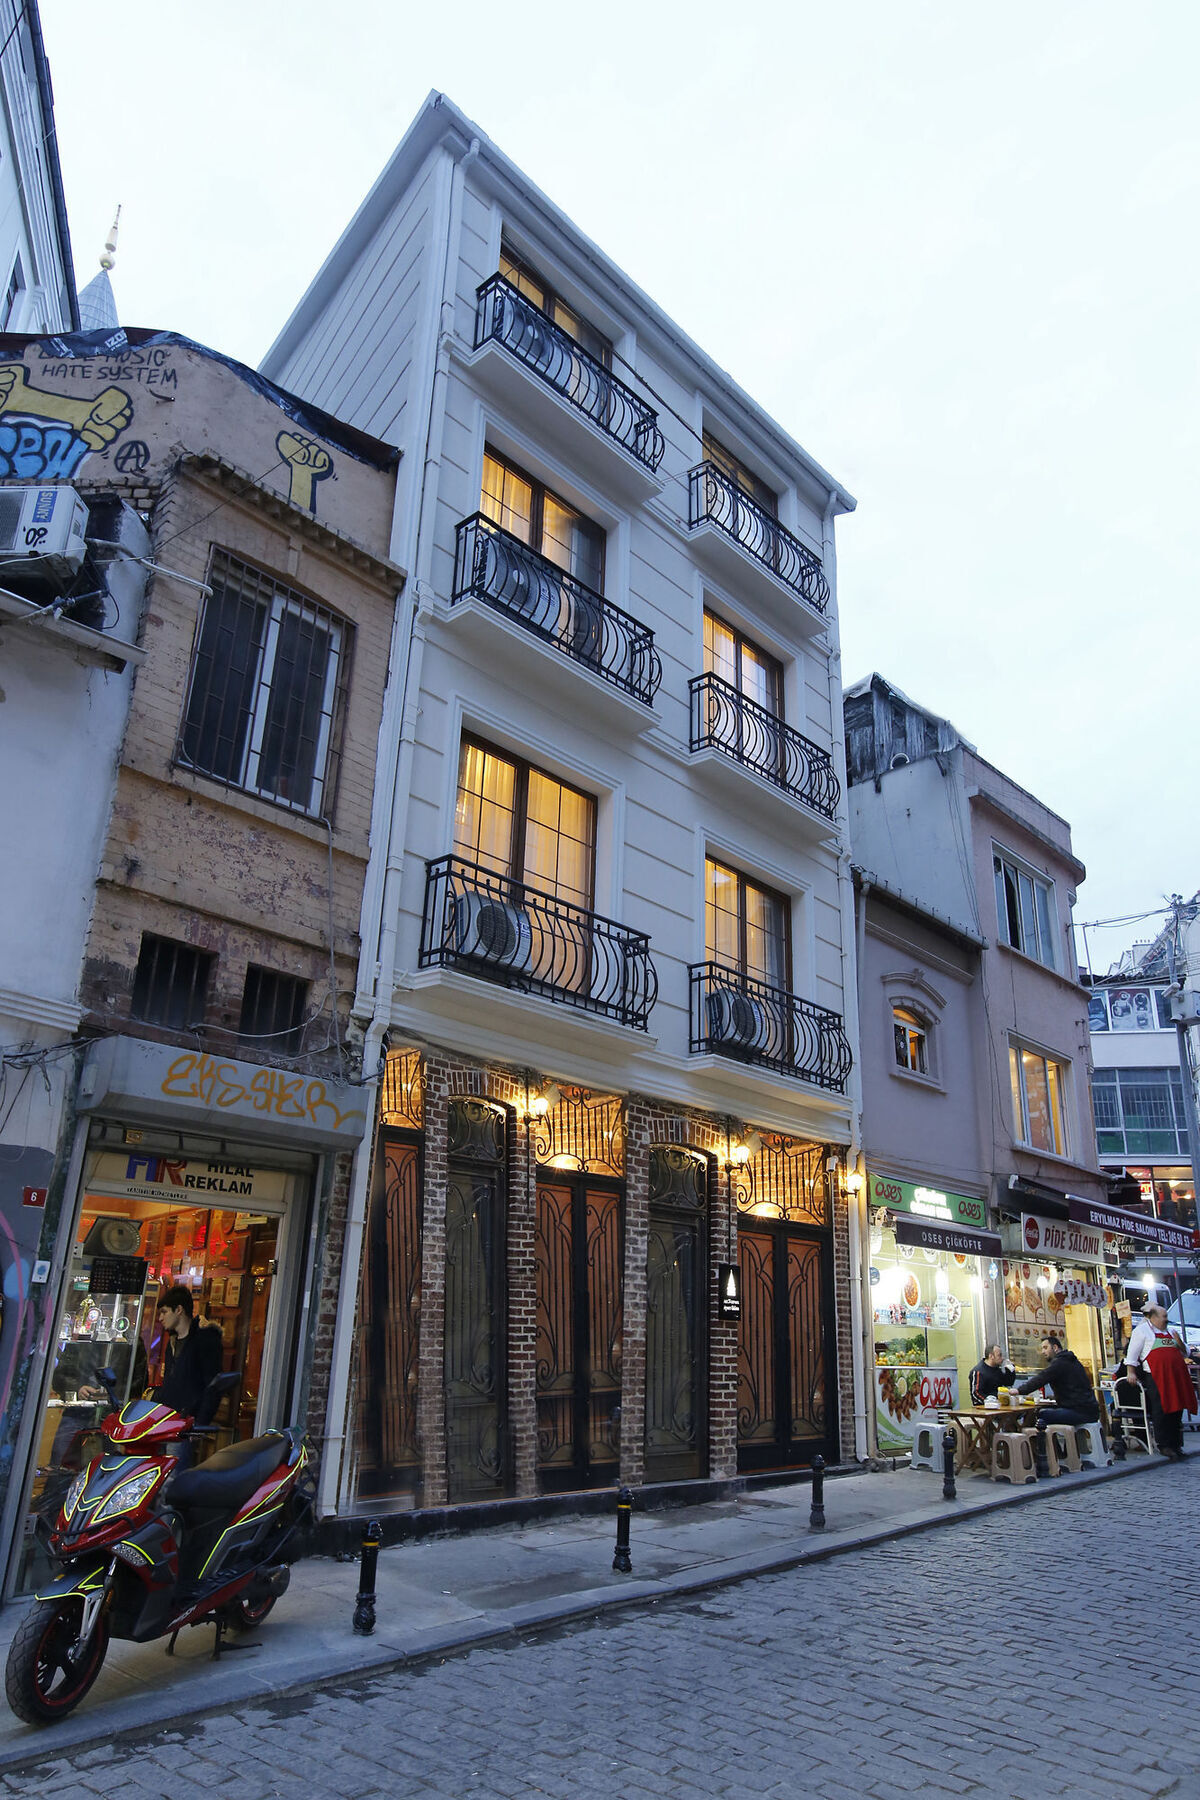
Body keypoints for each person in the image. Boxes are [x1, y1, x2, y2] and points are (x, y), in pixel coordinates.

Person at [1123, 1305, 1196, 1462]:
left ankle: (1176, 1444)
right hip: (1156, 1376)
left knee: (1177, 1409)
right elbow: (1132, 1354)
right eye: (1163, 1316)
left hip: (1176, 1377)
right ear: (1153, 1317)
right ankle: (1164, 1445)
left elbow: (1185, 1352)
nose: (1166, 1319)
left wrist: (1179, 1343)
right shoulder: (1142, 1332)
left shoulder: (1171, 1332)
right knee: (1162, 1410)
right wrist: (1131, 1372)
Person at [154, 1286, 223, 1420]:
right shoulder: (172, 1342)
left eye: (164, 1312)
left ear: (179, 1310)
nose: (160, 1318)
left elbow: (213, 1386)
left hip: (189, 1424)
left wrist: (200, 1423)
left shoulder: (205, 1340)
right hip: (168, 1422)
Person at [1012, 1335, 1100, 1424]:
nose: (1043, 1352)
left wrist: (1018, 1390)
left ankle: (1035, 1437)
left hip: (1079, 1412)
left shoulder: (1060, 1363)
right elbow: (1074, 1388)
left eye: (1045, 1348)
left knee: (1037, 1414)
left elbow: (1041, 1378)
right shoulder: (1073, 1361)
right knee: (1046, 1411)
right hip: (1090, 1410)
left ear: (1055, 1347)